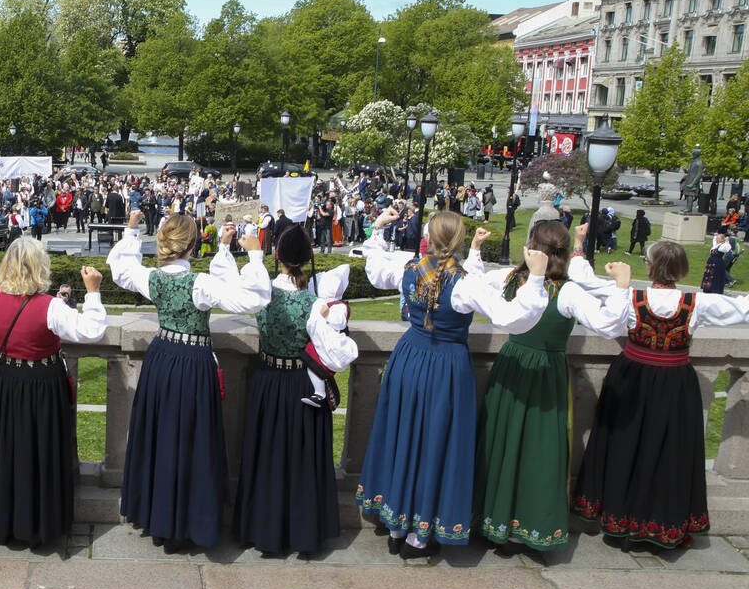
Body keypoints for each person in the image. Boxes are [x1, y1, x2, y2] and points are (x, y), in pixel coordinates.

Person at [357, 208, 549, 557]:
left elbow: (374, 269)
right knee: (435, 442)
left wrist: (378, 229)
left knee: (405, 435)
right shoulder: (463, 283)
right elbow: (512, 317)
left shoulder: (410, 269)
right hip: (445, 366)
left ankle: (398, 527)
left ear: (428, 238)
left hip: (409, 358)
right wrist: (535, 279)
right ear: (460, 241)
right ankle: (419, 537)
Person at [463, 222, 631, 554]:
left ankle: (494, 521)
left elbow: (473, 281)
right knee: (539, 448)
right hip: (545, 373)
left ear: (531, 248)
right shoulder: (567, 291)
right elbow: (608, 324)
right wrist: (622, 286)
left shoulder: (513, 278)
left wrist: (475, 251)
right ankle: (524, 527)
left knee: (504, 441)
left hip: (513, 365)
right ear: (564, 252)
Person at [109, 210, 270, 550]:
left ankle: (160, 516)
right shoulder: (198, 283)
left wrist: (131, 230)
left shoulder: (154, 278)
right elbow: (252, 299)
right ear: (193, 245)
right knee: (190, 442)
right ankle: (186, 523)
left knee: (161, 438)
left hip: (161, 359)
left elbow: (121, 270)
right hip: (191, 365)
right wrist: (254, 254)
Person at [572, 240, 749, 549]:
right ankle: (659, 525)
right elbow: (741, 309)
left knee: (625, 448)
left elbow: (587, 283)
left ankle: (618, 518)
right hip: (674, 383)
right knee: (667, 452)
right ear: (682, 270)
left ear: (649, 267)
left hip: (631, 380)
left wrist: (578, 249)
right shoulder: (697, 304)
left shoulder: (629, 297)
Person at [0, 241, 107, 546]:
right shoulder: (50, 306)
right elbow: (90, 330)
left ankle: (5, 522)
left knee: (7, 451)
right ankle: (37, 524)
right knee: (40, 452)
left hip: (6, 381)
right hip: (43, 383)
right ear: (40, 267)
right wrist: (93, 293)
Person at [233, 225, 357, 555]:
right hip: (301, 382)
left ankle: (264, 530)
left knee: (268, 457)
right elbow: (337, 351)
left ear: (278, 256)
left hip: (268, 382)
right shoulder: (317, 305)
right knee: (302, 460)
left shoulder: (262, 295)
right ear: (308, 258)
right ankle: (302, 533)